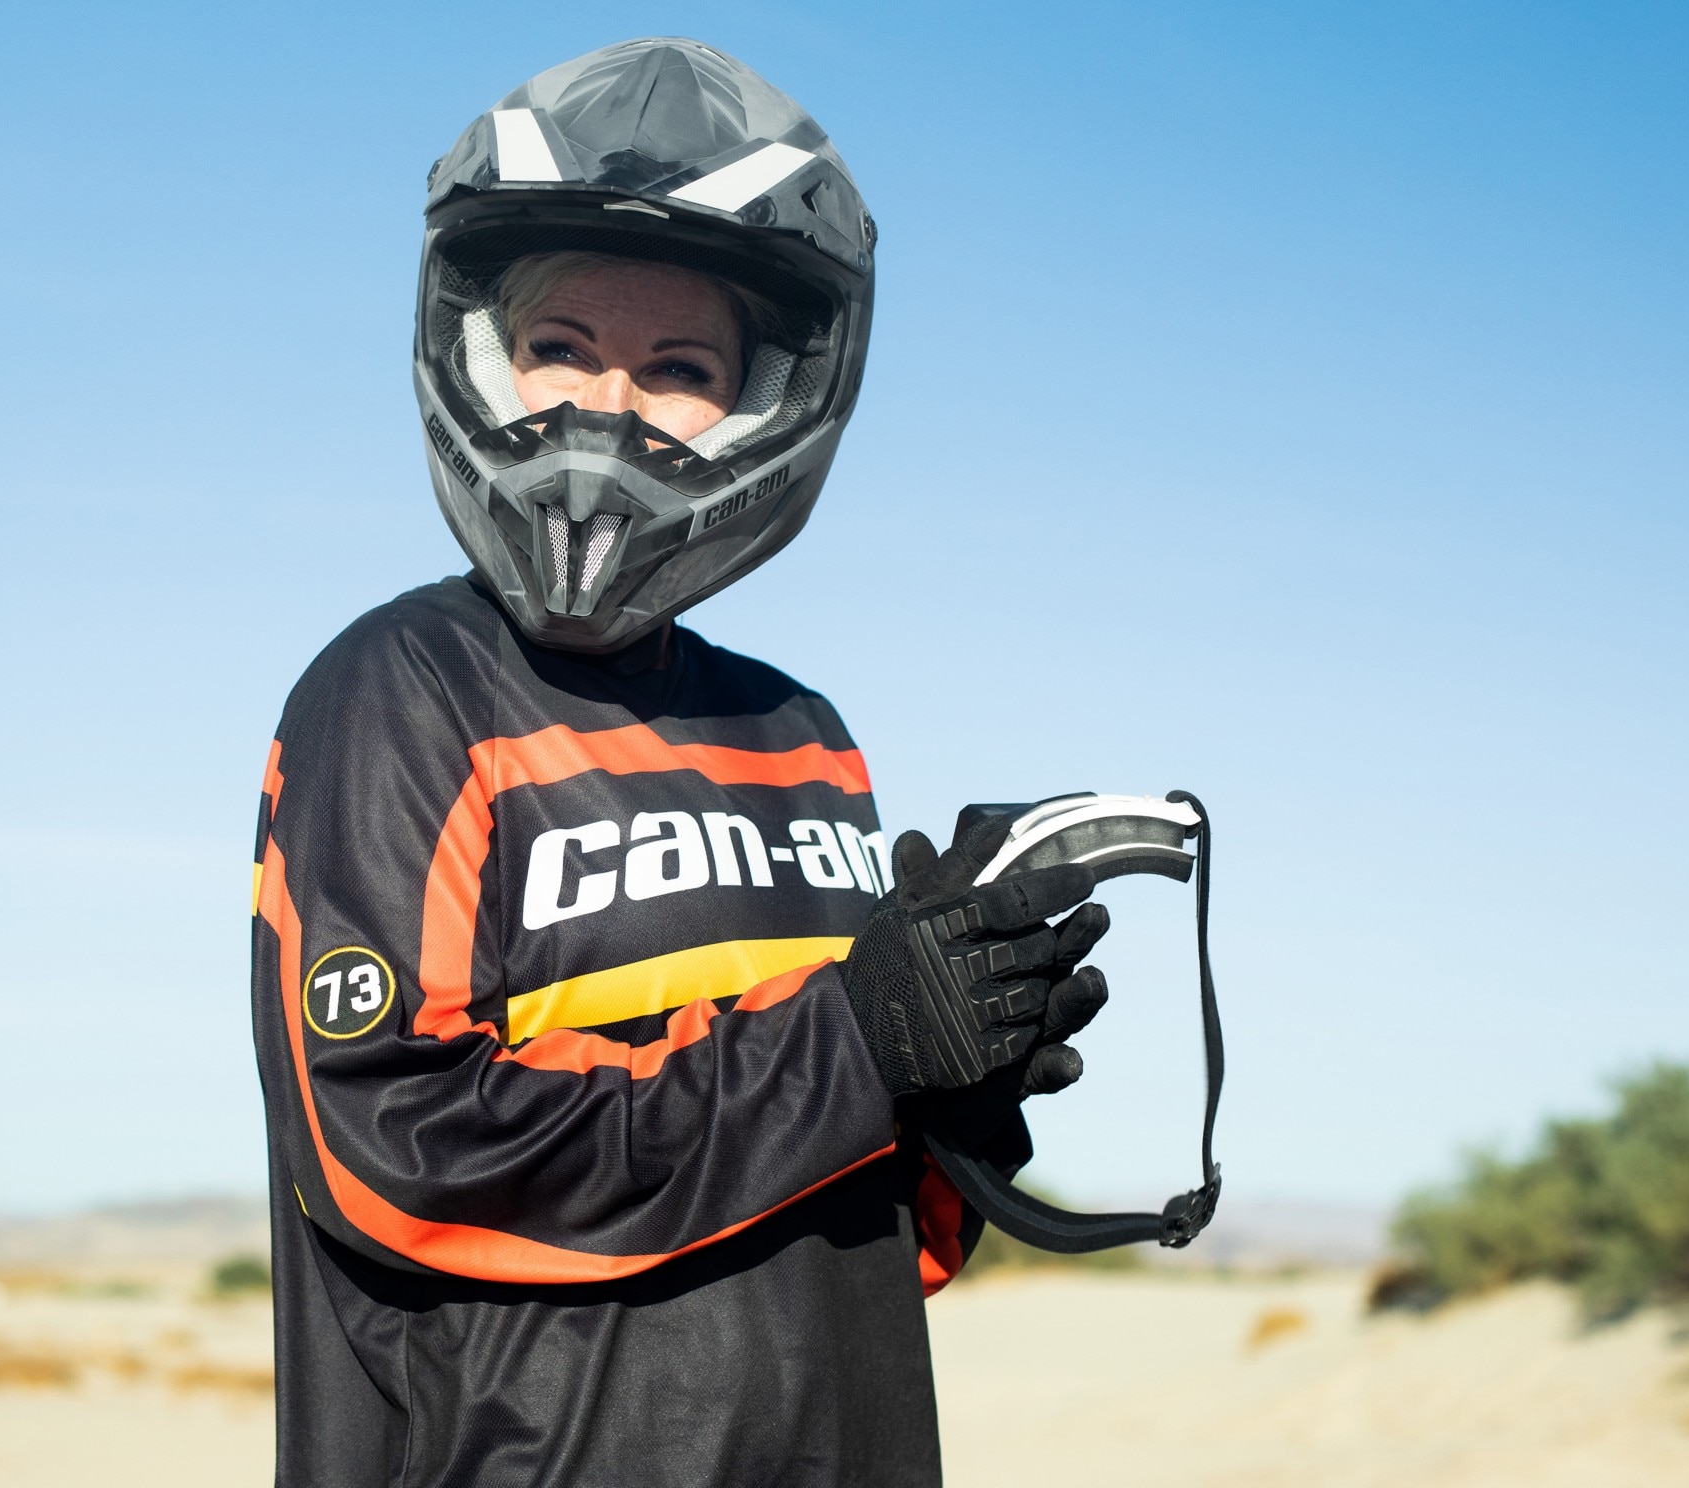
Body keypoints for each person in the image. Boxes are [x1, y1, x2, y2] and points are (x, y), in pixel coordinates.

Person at [250, 39, 1111, 1488]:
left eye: (679, 368)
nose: (607, 407)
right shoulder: (402, 693)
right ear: (483, 353)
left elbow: (855, 1240)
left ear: (768, 399)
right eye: (564, 345)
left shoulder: (803, 736)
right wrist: (857, 1046)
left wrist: (958, 1099)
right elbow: (398, 1162)